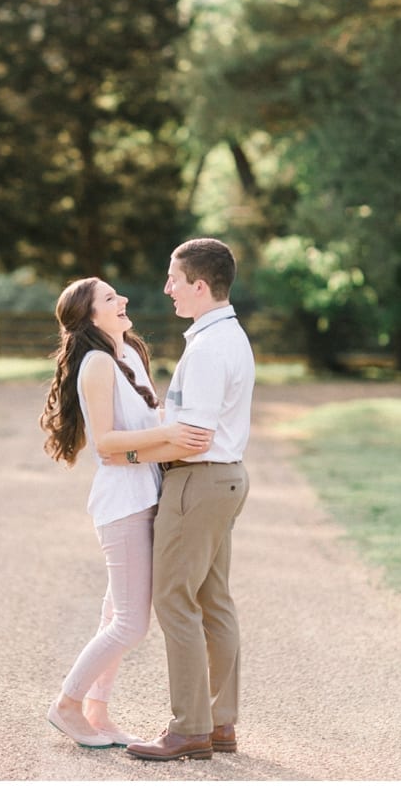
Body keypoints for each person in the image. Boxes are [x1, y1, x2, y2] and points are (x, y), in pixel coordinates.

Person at [38, 277, 213, 749]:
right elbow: (106, 444)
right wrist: (169, 441)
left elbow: (144, 426)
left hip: (146, 492)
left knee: (116, 610)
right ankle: (67, 704)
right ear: (90, 316)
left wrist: (169, 432)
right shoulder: (95, 364)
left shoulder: (129, 353)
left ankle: (96, 711)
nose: (124, 301)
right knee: (131, 623)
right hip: (122, 503)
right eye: (111, 299)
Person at [112, 238, 256, 762]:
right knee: (213, 600)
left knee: (174, 598)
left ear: (200, 285)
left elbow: (191, 436)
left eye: (173, 278)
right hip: (223, 479)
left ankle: (190, 727)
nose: (166, 287)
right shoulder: (226, 336)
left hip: (197, 482)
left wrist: (126, 453)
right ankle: (219, 724)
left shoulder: (211, 347)